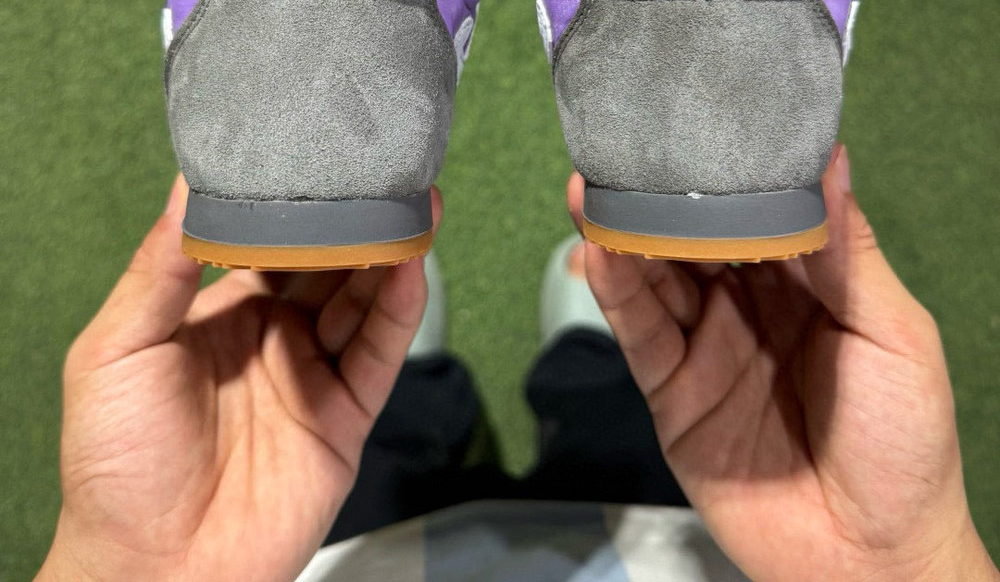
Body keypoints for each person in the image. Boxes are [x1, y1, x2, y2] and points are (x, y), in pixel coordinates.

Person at [35, 146, 998, 581]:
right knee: (618, 396)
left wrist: (138, 576)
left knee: (371, 412)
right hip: (681, 546)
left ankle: (419, 388)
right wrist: (897, 569)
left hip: (342, 557)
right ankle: (571, 360)